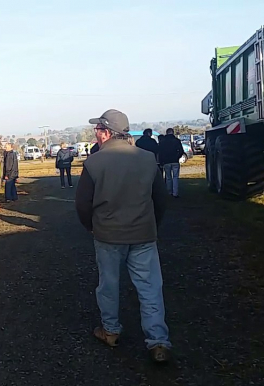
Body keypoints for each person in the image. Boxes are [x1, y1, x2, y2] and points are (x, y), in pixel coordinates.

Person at [75, 109, 171, 363]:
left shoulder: (94, 162)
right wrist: (153, 225)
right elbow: (160, 199)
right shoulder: (148, 158)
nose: (95, 133)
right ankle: (158, 342)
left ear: (106, 133)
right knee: (150, 289)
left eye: (97, 129)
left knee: (108, 285)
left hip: (107, 235)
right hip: (143, 234)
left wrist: (90, 227)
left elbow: (83, 204)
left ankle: (110, 331)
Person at [157, 128, 184, 198]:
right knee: (175, 177)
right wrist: (177, 157)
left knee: (168, 177)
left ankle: (169, 192)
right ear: (173, 132)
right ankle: (175, 193)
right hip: (175, 161)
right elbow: (181, 151)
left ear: (166, 133)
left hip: (166, 161)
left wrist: (161, 161)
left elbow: (160, 152)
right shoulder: (177, 141)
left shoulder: (163, 141)